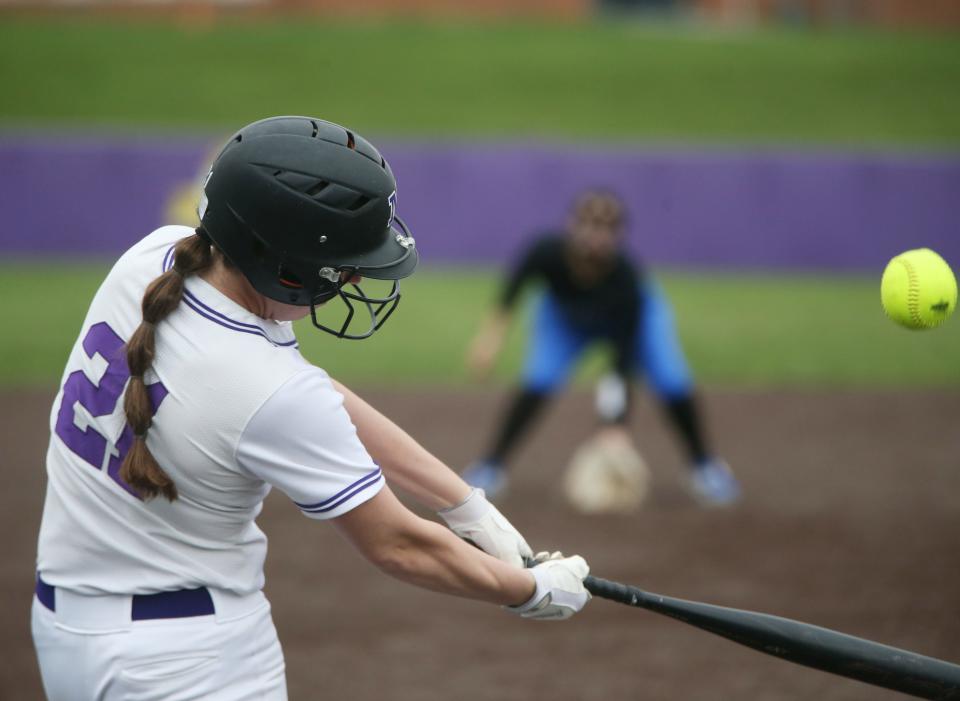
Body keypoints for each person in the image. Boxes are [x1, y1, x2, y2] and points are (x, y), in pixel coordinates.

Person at [32, 116, 590, 701]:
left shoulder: (151, 261)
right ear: (285, 264)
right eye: (345, 264)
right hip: (188, 664)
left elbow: (313, 394)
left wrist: (464, 504)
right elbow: (399, 543)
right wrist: (527, 590)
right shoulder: (271, 391)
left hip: (64, 632)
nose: (352, 278)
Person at [463, 189, 740, 506]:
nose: (596, 234)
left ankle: (704, 467)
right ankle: (490, 466)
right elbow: (513, 289)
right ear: (571, 224)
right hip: (567, 320)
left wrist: (614, 424)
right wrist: (490, 339)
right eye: (589, 223)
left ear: (619, 234)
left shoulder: (627, 281)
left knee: (672, 381)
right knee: (538, 380)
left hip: (631, 323)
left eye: (607, 227)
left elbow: (622, 361)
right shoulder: (546, 251)